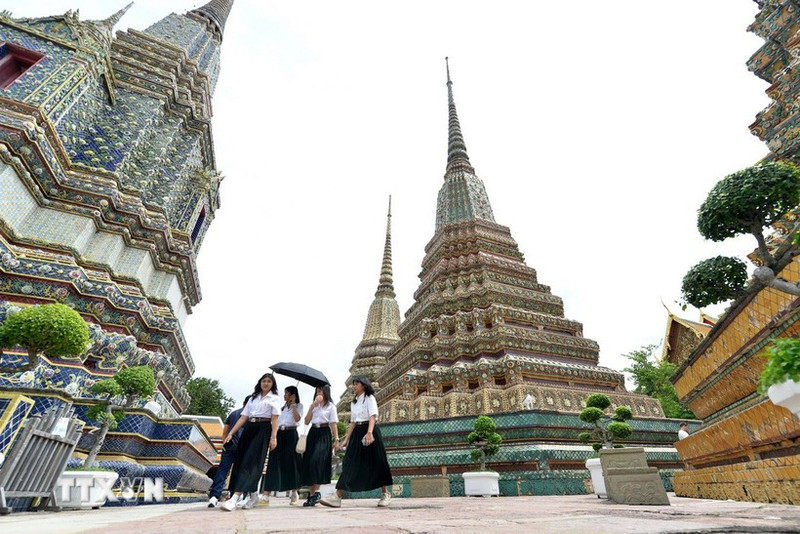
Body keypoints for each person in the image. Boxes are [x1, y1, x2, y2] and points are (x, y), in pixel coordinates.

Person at [320, 376, 393, 508]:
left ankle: (385, 493)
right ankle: (337, 496)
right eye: (353, 384)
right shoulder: (354, 402)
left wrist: (370, 432)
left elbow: (373, 416)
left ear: (364, 385)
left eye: (357, 384)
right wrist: (346, 439)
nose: (354, 386)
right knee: (349, 462)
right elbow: (353, 422)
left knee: (378, 461)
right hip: (357, 432)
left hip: (370, 430)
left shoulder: (370, 398)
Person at [219, 373, 281, 511]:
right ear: (260, 383)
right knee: (242, 461)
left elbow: (275, 419)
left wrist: (274, 437)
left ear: (272, 384)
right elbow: (243, 418)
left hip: (263, 429)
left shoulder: (275, 399)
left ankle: (234, 499)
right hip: (249, 429)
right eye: (264, 381)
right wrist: (231, 433)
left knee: (252, 462)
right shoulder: (253, 398)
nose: (266, 383)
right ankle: (254, 496)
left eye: (269, 382)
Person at [260, 385, 303, 505]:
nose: (284, 395)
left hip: (291, 434)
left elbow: (297, 419)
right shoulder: (282, 408)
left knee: (292, 463)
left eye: (287, 393)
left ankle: (294, 492)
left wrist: (294, 405)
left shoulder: (299, 406)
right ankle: (266, 495)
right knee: (273, 462)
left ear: (293, 395)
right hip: (279, 434)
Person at [300, 384, 339, 507]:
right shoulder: (314, 406)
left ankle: (316, 492)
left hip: (324, 433)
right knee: (310, 462)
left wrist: (336, 438)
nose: (319, 393)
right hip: (313, 432)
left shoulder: (331, 406)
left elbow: (333, 423)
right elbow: (306, 421)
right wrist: (312, 406)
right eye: (317, 390)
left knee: (317, 461)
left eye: (321, 390)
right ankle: (312, 495)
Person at [208, 396, 250, 507]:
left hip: (229, 446)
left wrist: (225, 442)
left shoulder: (233, 414)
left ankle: (214, 496)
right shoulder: (250, 416)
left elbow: (225, 431)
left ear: (243, 402)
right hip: (243, 448)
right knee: (241, 472)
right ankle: (237, 495)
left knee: (222, 470)